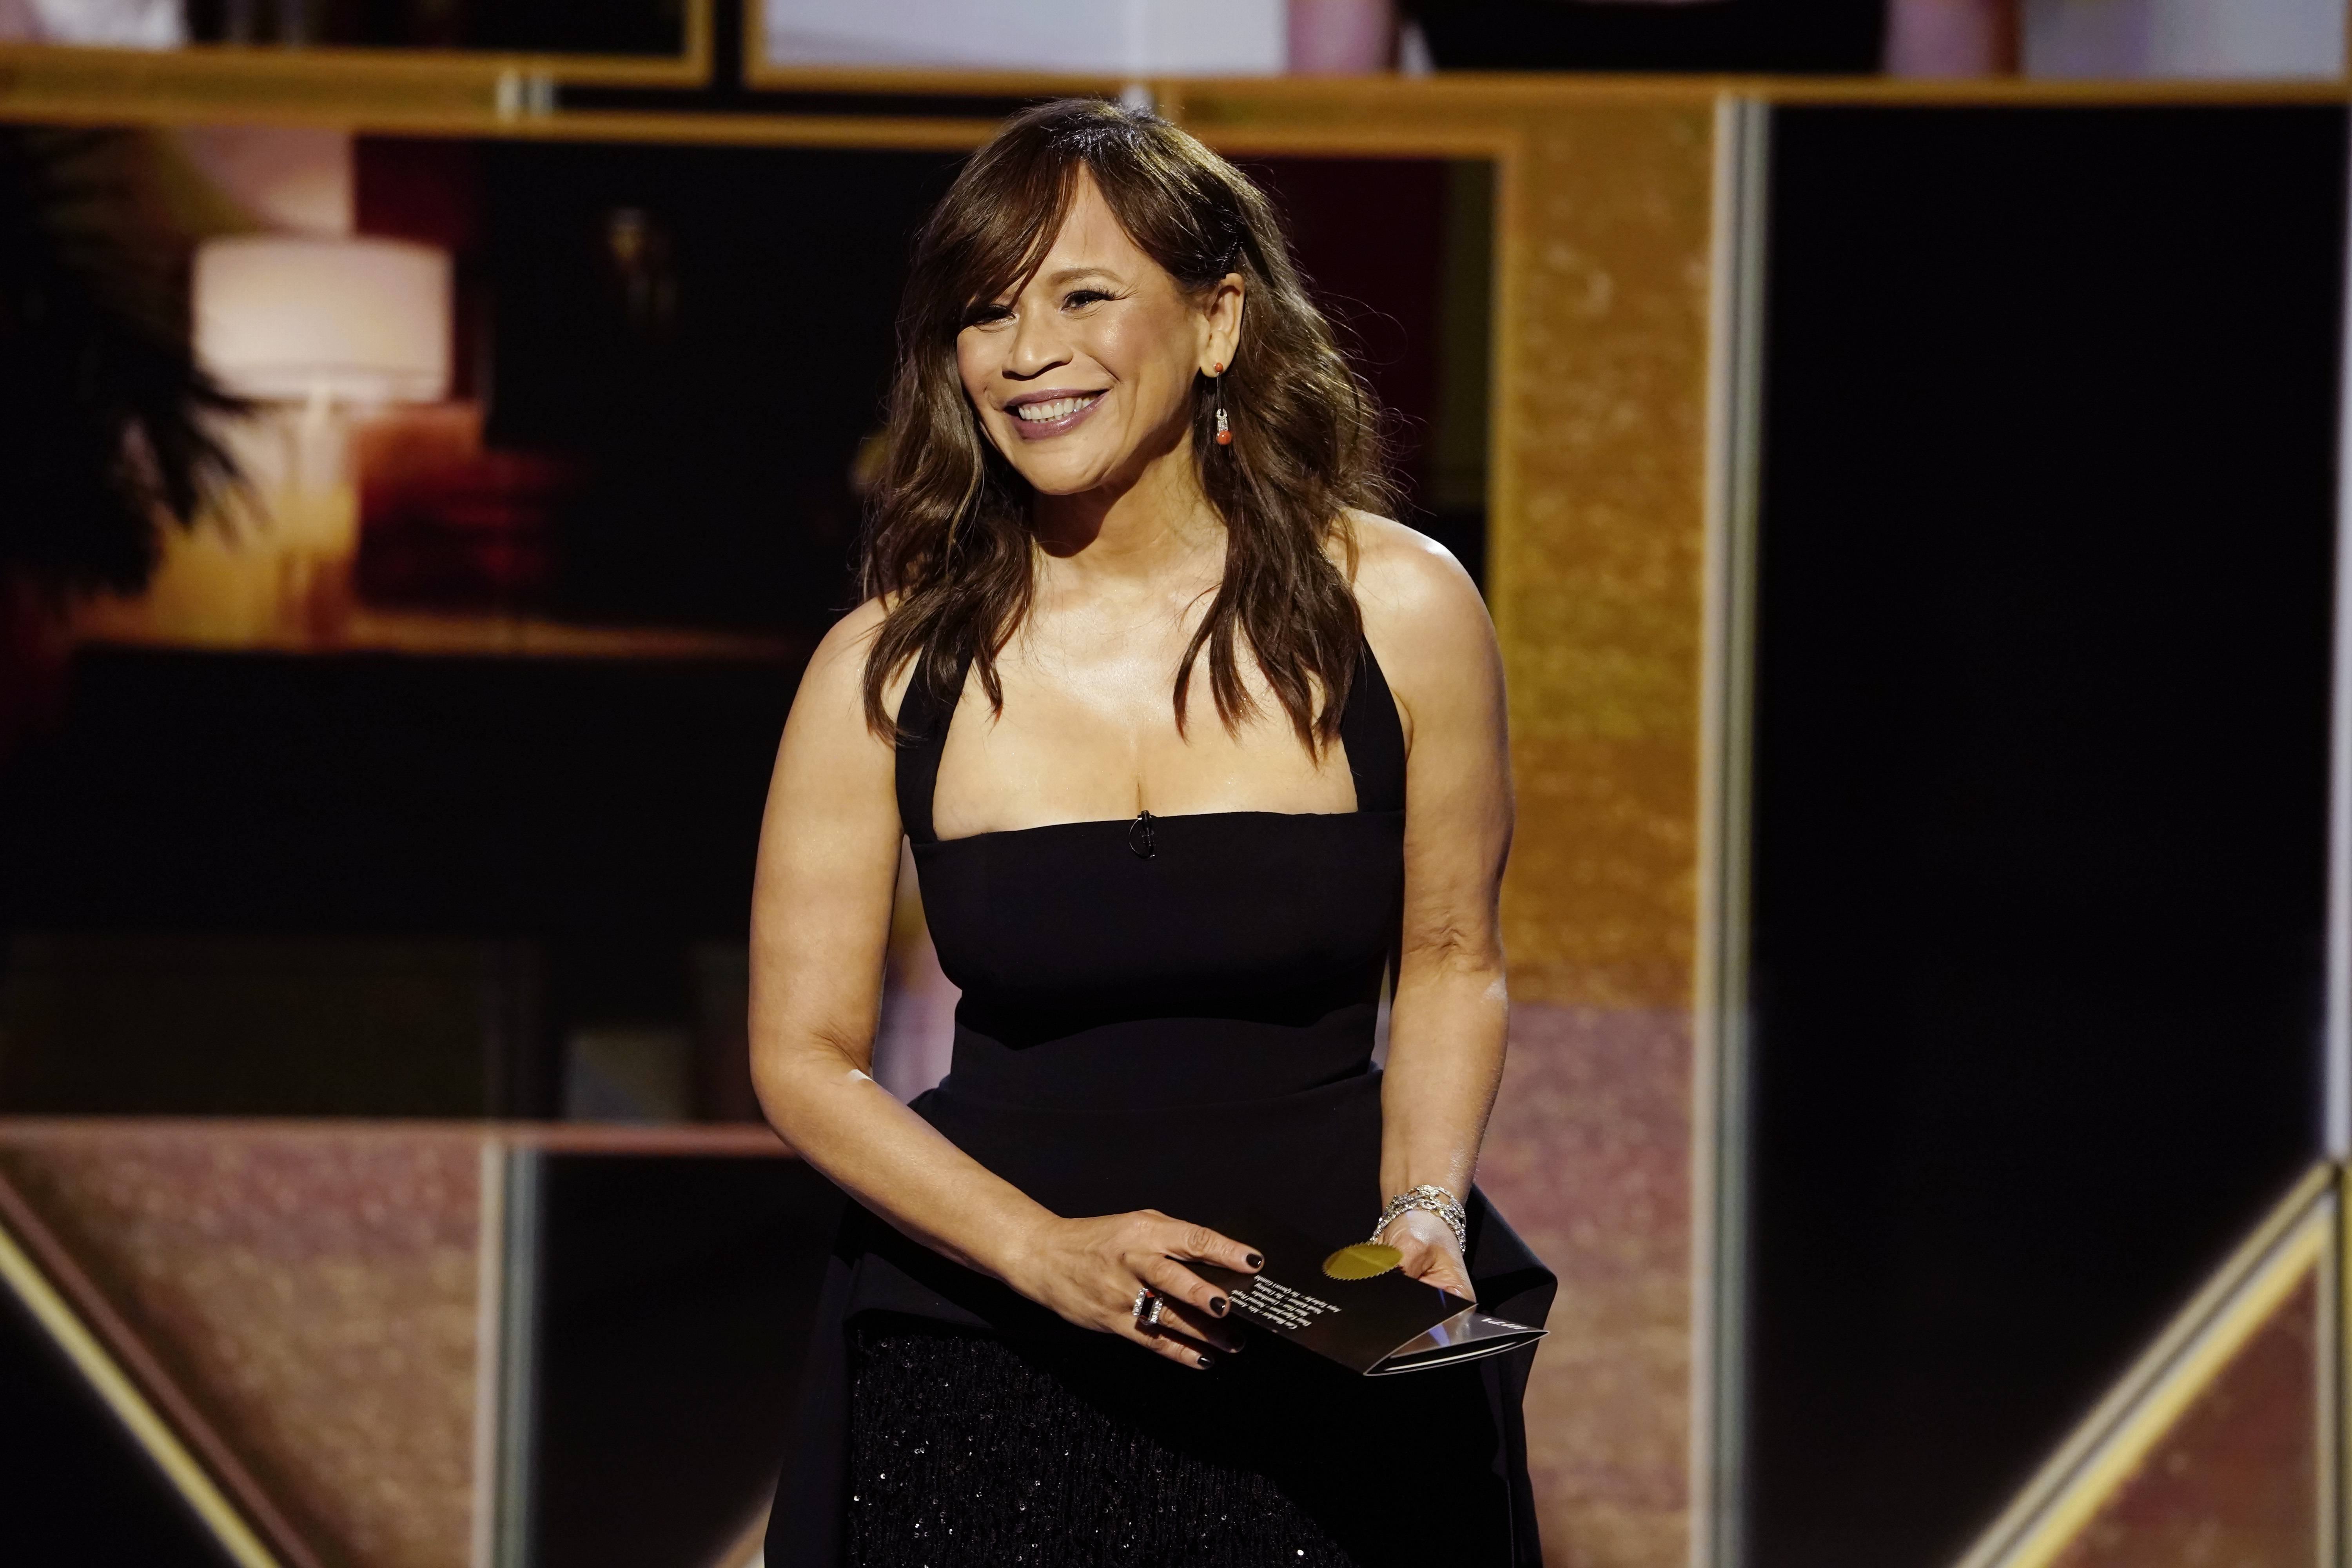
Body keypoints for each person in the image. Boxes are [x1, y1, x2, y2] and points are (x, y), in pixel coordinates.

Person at [751, 97, 1553, 1567]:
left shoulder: (1403, 605)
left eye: (1083, 296)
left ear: (1219, 319)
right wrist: (1039, 1252)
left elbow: (1451, 957)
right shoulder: (885, 667)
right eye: (986, 312)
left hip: (1330, 1315)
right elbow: (802, 1059)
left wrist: (1425, 1210)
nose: (1027, 351)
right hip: (986, 1336)